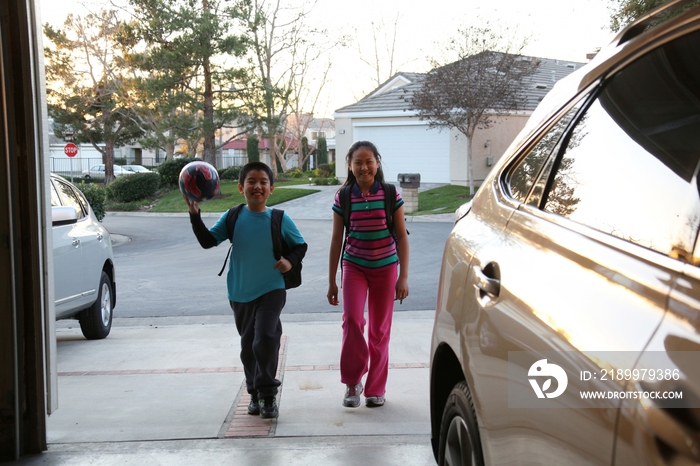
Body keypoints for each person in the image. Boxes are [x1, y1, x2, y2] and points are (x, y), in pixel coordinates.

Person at [185, 161, 307, 419]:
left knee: (265, 338)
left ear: (271, 189)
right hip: (240, 291)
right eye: (251, 181)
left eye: (263, 182)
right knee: (248, 345)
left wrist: (289, 261)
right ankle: (254, 392)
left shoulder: (279, 219)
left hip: (272, 289)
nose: (257, 186)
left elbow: (300, 246)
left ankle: (267, 395)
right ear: (241, 187)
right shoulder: (232, 216)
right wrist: (195, 215)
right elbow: (208, 242)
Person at [327, 140, 410, 408]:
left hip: (386, 268)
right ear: (350, 166)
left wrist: (403, 277)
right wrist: (332, 281)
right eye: (358, 162)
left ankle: (376, 388)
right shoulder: (344, 196)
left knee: (379, 330)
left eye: (369, 161)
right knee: (352, 320)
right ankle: (353, 383)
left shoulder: (389, 193)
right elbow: (336, 239)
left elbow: (401, 236)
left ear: (377, 162)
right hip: (354, 266)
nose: (364, 167)